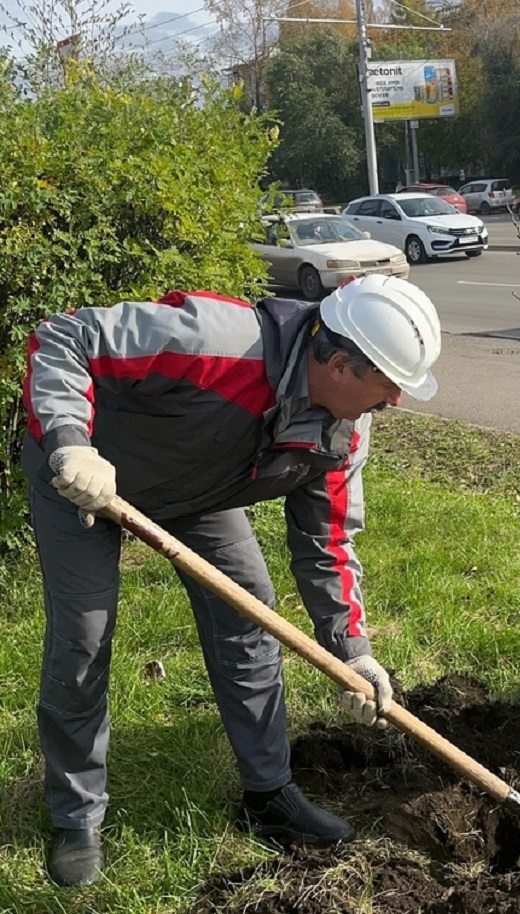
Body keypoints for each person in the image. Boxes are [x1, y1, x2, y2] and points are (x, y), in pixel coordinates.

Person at [21, 274, 442, 887]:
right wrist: (69, 442)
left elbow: (326, 543)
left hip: (200, 492)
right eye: (390, 384)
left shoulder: (344, 430)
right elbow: (66, 336)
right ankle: (76, 816)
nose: (396, 401)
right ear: (342, 364)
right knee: (83, 639)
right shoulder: (216, 340)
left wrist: (355, 653)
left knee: (249, 616)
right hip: (85, 477)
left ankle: (269, 796)